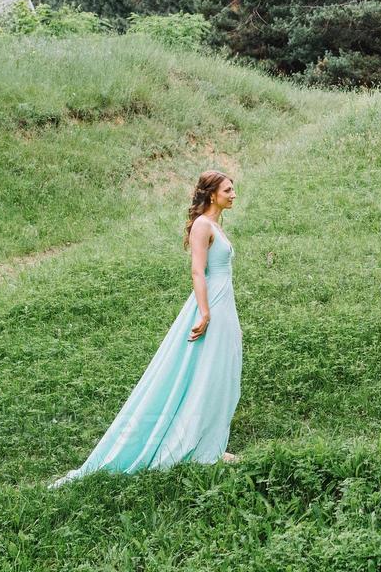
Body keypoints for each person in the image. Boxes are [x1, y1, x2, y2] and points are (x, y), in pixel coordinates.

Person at [50, 170, 244, 487]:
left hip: (224, 305)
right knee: (201, 371)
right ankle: (197, 447)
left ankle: (210, 444)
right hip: (212, 304)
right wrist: (205, 312)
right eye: (228, 189)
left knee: (218, 372)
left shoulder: (216, 224)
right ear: (212, 194)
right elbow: (197, 271)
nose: (233, 194)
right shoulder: (202, 225)